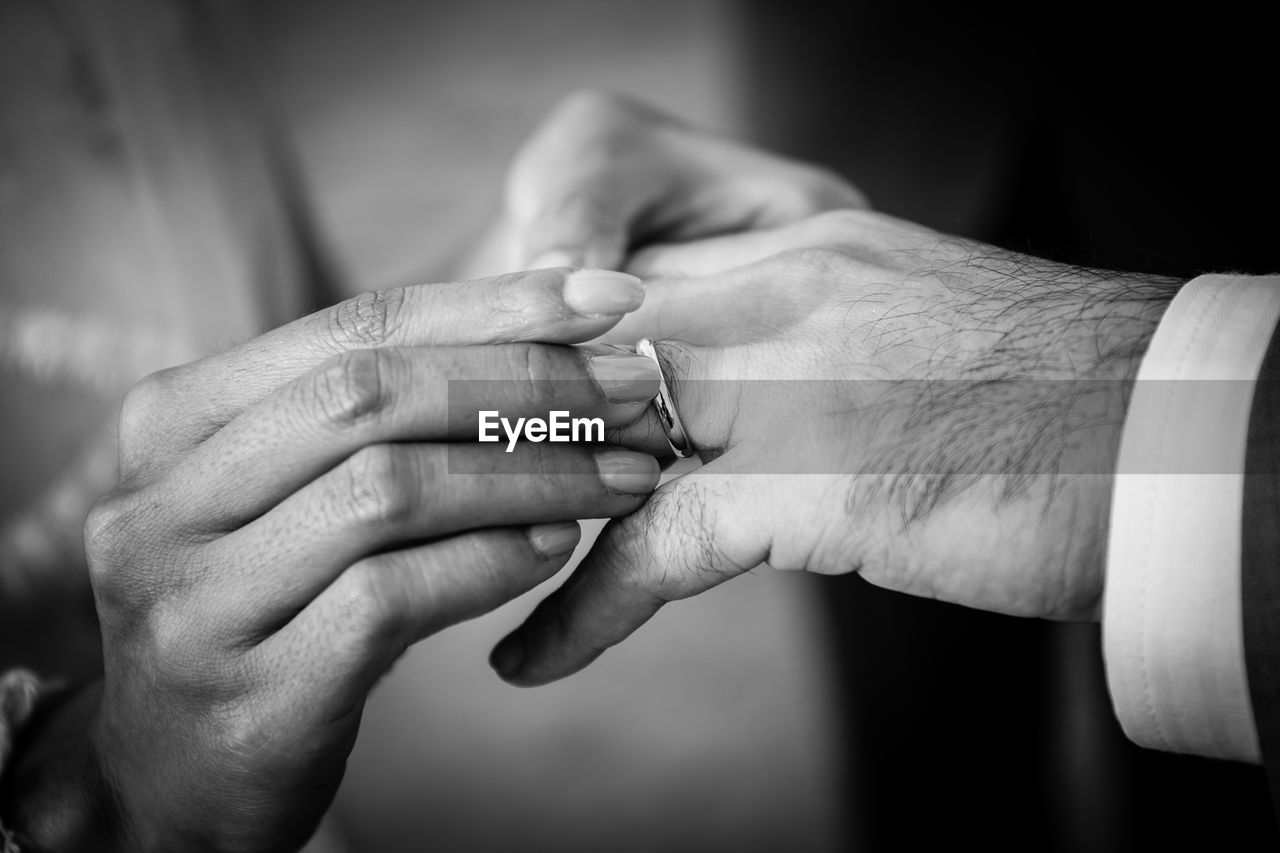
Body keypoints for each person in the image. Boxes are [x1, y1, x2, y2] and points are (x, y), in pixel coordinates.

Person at [480, 92, 1280, 801]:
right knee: (921, 740)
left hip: (1219, 201)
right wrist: (508, 277)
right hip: (850, 189)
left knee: (1204, 737)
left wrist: (1211, 415)